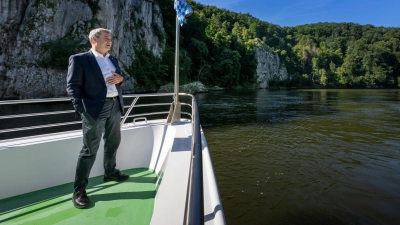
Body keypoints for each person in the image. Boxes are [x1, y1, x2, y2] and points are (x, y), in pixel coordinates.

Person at [67, 28, 129, 209]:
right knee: (89, 150)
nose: (110, 41)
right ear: (94, 39)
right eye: (106, 38)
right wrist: (82, 110)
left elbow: (118, 80)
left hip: (115, 106)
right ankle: (79, 191)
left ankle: (110, 172)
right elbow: (72, 86)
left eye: (111, 38)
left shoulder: (112, 59)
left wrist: (122, 79)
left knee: (113, 142)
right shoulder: (79, 59)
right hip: (94, 110)